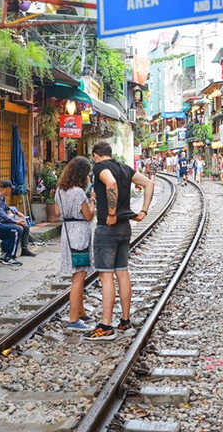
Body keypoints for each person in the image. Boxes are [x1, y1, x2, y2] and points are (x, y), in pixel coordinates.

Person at [85, 141, 155, 341]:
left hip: (108, 227)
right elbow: (149, 183)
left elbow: (111, 183)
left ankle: (106, 325)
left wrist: (112, 212)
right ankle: (125, 320)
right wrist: (144, 210)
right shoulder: (125, 168)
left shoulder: (100, 168)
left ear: (96, 155)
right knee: (122, 272)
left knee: (106, 276)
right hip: (125, 228)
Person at [55, 156, 95, 331]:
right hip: (79, 234)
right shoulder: (78, 192)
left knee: (76, 274)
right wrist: (92, 201)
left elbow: (57, 212)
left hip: (67, 233)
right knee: (79, 277)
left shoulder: (59, 190)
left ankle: (80, 311)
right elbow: (89, 215)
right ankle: (73, 320)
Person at [0, 180, 37, 257]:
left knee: (26, 227)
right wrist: (16, 222)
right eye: (10, 189)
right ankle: (11, 253)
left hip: (6, 220)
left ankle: (24, 249)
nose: (10, 191)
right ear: (8, 188)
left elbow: (7, 208)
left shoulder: (2, 198)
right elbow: (3, 216)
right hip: (0, 222)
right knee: (19, 228)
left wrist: (17, 213)